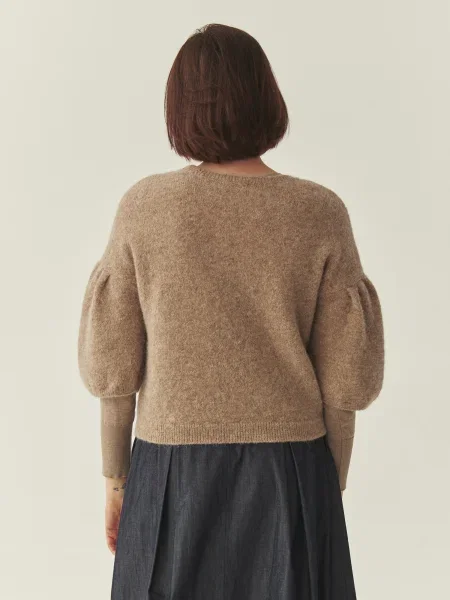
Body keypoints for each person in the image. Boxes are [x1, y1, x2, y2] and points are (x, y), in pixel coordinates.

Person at [78, 23, 384, 600]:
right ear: (267, 97)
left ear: (179, 107)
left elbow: (114, 367)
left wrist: (116, 478)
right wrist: (329, 484)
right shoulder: (318, 211)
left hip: (169, 471)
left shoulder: (146, 207)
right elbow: (347, 377)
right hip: (292, 470)